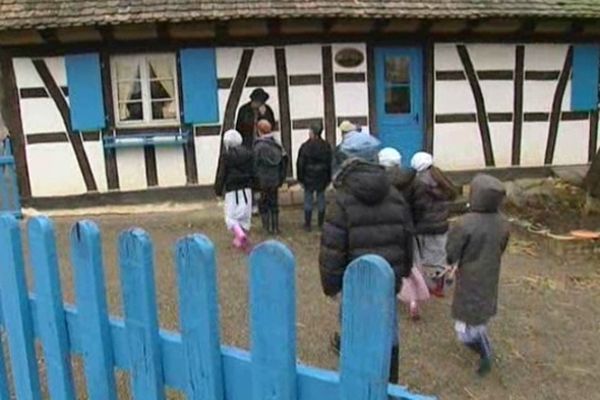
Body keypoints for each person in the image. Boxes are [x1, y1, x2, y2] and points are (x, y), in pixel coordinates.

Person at [319, 143, 413, 384]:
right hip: (387, 279)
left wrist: (331, 285)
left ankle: (358, 382)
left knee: (353, 328)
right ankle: (389, 381)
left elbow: (333, 247)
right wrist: (403, 273)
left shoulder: (340, 199)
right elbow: (406, 238)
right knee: (389, 331)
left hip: (354, 281)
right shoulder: (395, 195)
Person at [446, 174, 510, 376]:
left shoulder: (465, 223)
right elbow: (501, 246)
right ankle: (480, 341)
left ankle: (484, 350)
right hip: (490, 270)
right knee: (478, 313)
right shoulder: (502, 222)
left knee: (466, 325)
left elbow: (452, 251)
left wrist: (452, 262)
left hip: (470, 274)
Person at [379, 148, 430, 321]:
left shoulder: (379, 183)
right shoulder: (413, 181)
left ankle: (391, 294)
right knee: (411, 263)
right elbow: (421, 206)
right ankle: (413, 299)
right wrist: (414, 223)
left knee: (388, 262)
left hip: (386, 228)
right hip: (407, 227)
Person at [410, 152, 457, 297]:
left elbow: (417, 206)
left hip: (423, 227)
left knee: (422, 256)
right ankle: (439, 284)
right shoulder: (442, 180)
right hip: (441, 226)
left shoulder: (418, 184)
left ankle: (423, 285)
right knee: (438, 255)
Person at [214, 129, 254, 252]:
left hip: (232, 190)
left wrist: (218, 189)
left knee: (230, 217)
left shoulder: (226, 156)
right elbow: (254, 171)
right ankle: (240, 239)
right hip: (246, 189)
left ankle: (240, 235)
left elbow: (222, 174)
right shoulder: (249, 153)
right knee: (244, 216)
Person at [253, 119, 288, 234]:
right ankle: (275, 227)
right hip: (274, 179)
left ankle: (266, 227)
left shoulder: (258, 147)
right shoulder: (277, 145)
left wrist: (254, 181)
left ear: (259, 131)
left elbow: (254, 164)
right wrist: (281, 178)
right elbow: (284, 161)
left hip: (262, 180)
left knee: (263, 204)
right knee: (274, 203)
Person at [296, 122, 332, 231]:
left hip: (308, 176)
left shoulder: (305, 146)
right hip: (322, 176)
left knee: (308, 200)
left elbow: (300, 164)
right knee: (321, 199)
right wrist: (328, 178)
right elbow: (330, 163)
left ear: (312, 132)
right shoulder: (326, 146)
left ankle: (307, 224)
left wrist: (300, 178)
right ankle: (321, 223)